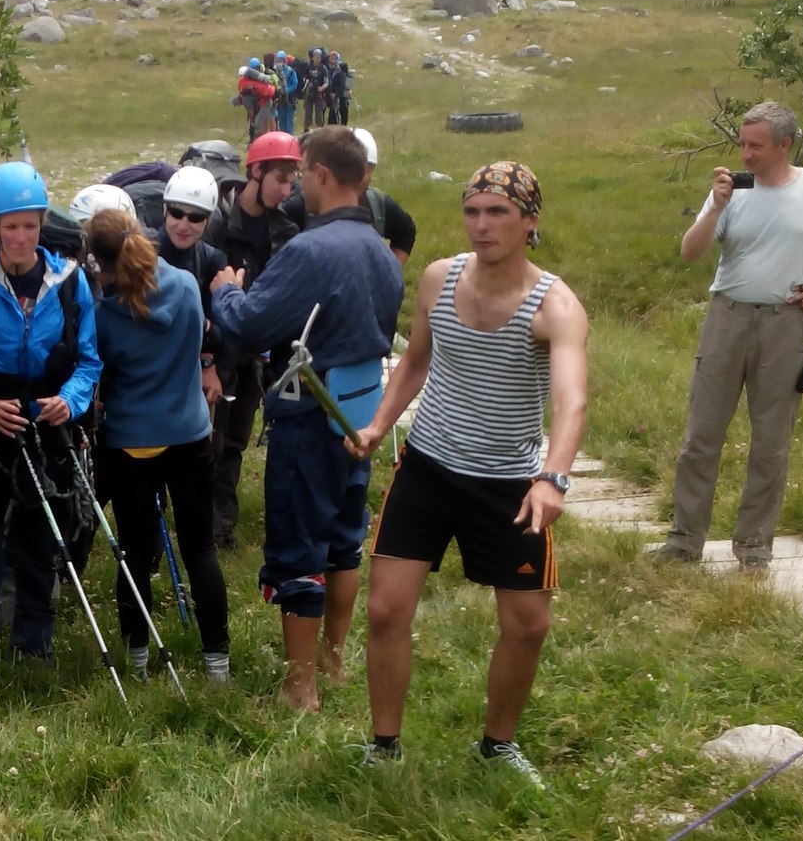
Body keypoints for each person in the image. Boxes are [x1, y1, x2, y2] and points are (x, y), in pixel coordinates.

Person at [349, 162, 589, 787]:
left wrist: (552, 478)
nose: (482, 226)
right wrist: (379, 425)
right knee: (384, 609)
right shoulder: (438, 278)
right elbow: (414, 362)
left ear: (529, 222)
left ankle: (498, 746)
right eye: (473, 211)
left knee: (528, 624)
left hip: (510, 484)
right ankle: (383, 747)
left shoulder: (555, 305)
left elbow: (572, 403)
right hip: (428, 466)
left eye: (498, 213)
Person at [211, 127, 404, 712]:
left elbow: (248, 326)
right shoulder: (380, 248)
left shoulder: (310, 250)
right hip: (363, 412)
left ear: (321, 173)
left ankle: (301, 689)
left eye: (303, 175)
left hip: (310, 411)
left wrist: (225, 291)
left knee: (299, 543)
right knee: (345, 539)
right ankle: (334, 657)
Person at [651, 101, 803, 568]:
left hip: (784, 322)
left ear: (784, 144)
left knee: (770, 441)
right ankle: (683, 540)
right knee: (701, 435)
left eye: (756, 146)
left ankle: (753, 547)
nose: (745, 154)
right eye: (742, 144)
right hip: (726, 317)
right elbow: (690, 253)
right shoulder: (733, 192)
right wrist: (716, 205)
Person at [0, 162, 102, 675]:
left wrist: (69, 402)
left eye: (30, 224)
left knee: (38, 544)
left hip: (48, 429)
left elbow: (89, 361)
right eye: (11, 226)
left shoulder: (71, 283)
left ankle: (34, 648)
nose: (22, 237)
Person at [83, 208, 231, 682]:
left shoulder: (106, 315)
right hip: (189, 435)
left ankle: (139, 661)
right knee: (200, 551)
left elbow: (99, 373)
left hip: (131, 444)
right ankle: (217, 664)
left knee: (133, 555)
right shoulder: (188, 287)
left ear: (99, 260)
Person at [203, 129, 303, 547]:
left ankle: (220, 526)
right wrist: (204, 358)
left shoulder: (286, 230)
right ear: (255, 171)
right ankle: (205, 524)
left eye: (292, 181)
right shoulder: (215, 223)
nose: (286, 189)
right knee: (209, 439)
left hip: (257, 355)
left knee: (237, 440)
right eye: (280, 178)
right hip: (214, 349)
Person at [158, 164, 235, 412]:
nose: (184, 224)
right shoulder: (141, 254)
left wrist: (207, 364)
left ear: (208, 221)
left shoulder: (213, 260)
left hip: (190, 372)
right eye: (176, 213)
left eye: (195, 217)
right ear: (164, 212)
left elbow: (223, 329)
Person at [284, 126, 418, 268]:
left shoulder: (378, 205)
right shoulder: (301, 206)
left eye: (366, 169)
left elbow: (406, 232)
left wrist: (391, 268)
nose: (357, 176)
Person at [302, 48, 330, 130]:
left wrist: (322, 88)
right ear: (312, 58)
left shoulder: (323, 68)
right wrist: (307, 84)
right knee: (307, 113)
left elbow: (326, 82)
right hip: (309, 93)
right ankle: (306, 130)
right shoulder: (308, 67)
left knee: (319, 114)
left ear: (321, 58)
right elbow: (304, 78)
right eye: (315, 57)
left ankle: (320, 131)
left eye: (318, 57)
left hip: (319, 94)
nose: (317, 59)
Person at [273, 50, 299, 135]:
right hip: (280, 98)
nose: (279, 62)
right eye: (278, 60)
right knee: (282, 118)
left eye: (281, 60)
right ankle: (282, 136)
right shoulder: (275, 71)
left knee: (290, 119)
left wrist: (286, 91)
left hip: (290, 98)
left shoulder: (291, 71)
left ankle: (290, 136)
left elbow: (294, 84)